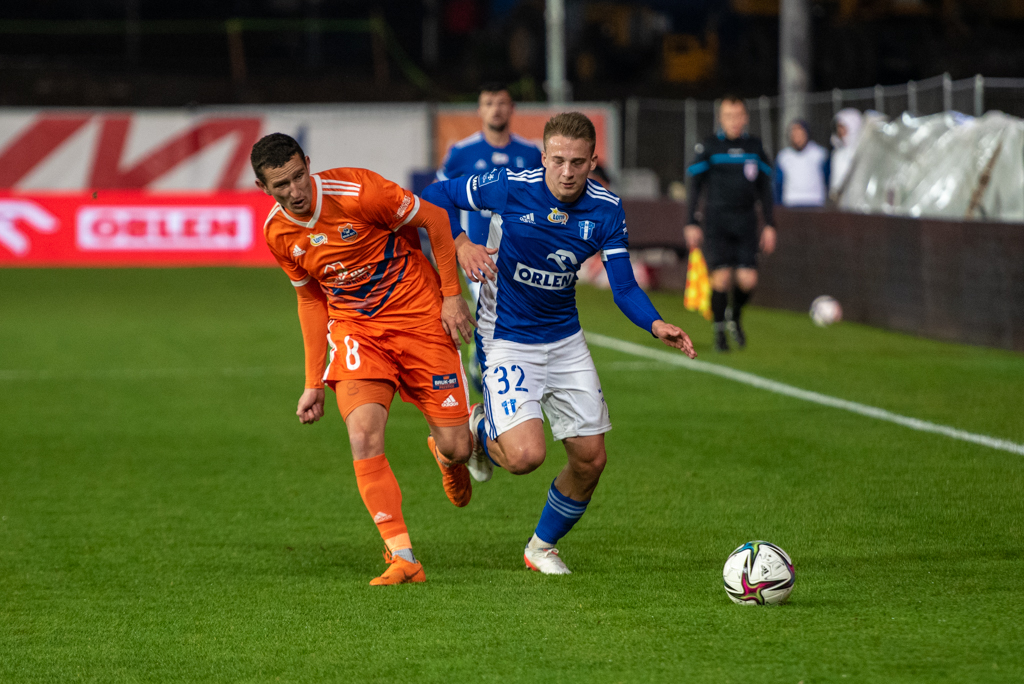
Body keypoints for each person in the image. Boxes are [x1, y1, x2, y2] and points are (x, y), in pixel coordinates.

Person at [423, 113, 697, 575]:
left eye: (578, 162)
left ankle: (541, 547)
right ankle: (476, 430)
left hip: (565, 339)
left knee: (591, 460)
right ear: (543, 157)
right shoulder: (510, 186)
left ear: (593, 161)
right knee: (525, 457)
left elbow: (624, 286)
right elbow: (434, 196)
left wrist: (655, 324)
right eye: (558, 161)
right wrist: (460, 240)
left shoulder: (606, 209)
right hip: (506, 336)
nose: (567, 172)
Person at [253, 133, 477, 586]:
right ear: (263, 187)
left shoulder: (360, 192)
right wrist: (313, 382)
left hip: (419, 318)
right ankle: (403, 557)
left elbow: (434, 219)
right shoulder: (278, 233)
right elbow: (311, 301)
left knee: (460, 446)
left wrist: (452, 296)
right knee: (363, 436)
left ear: (308, 164)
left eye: (299, 177)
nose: (295, 191)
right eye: (281, 185)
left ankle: (446, 456)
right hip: (357, 331)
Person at [436, 83, 543, 390]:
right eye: (489, 103)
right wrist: (456, 242)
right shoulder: (462, 152)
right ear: (480, 110)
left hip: (521, 252)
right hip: (480, 253)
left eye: (502, 102)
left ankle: (498, 363)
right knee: (495, 309)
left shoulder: (530, 153)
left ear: (512, 108)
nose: (496, 109)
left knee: (520, 315)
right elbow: (438, 198)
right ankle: (490, 371)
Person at [684, 96, 776, 353]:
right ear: (720, 119)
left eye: (738, 115)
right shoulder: (710, 147)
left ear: (745, 118)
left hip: (746, 221)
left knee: (748, 281)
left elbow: (765, 189)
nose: (734, 121)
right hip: (717, 222)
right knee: (722, 278)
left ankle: (734, 316)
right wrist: (691, 221)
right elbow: (694, 186)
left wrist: (770, 224)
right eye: (728, 116)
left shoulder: (754, 147)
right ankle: (719, 332)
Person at [774, 120, 830, 207]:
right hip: (791, 202)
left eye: (800, 134)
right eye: (794, 134)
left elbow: (827, 177)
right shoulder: (784, 156)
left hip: (815, 202)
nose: (797, 137)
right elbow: (778, 183)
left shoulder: (819, 154)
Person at [830, 108, 863, 200]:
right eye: (838, 127)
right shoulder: (837, 154)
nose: (839, 131)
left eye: (842, 127)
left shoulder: (861, 151)